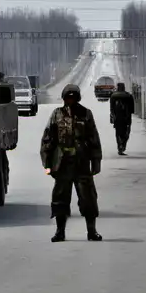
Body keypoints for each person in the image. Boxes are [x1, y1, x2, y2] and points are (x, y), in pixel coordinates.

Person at [40, 83, 103, 242]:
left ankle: (91, 231)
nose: (70, 100)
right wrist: (47, 164)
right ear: (63, 98)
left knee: (88, 198)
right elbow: (48, 139)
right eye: (68, 97)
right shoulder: (57, 114)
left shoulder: (86, 114)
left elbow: (94, 139)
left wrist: (96, 161)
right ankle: (60, 232)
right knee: (60, 199)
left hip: (82, 163)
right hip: (62, 164)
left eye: (73, 97)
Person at [108, 81, 135, 155]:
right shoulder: (129, 96)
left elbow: (111, 108)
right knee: (127, 132)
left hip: (117, 119)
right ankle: (123, 145)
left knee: (118, 133)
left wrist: (112, 116)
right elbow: (132, 109)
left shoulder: (113, 96)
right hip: (127, 118)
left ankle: (119, 147)